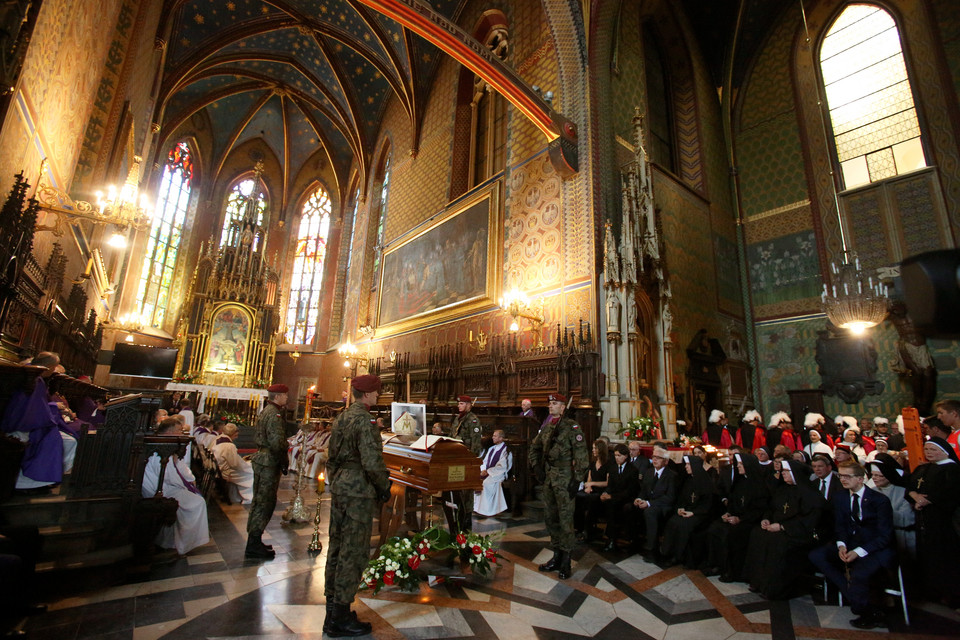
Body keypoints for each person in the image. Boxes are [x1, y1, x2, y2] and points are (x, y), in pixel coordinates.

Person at [323, 374, 391, 637]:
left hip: (341, 485)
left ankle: (332, 610)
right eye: (376, 392)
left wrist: (337, 480)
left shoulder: (341, 417)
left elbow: (331, 456)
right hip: (359, 491)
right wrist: (383, 486)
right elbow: (372, 461)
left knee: (337, 546)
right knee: (354, 551)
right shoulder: (365, 420)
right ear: (368, 394)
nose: (378, 396)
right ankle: (339, 618)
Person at [809, 462, 895, 630]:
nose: (843, 479)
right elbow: (840, 525)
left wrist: (858, 552)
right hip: (850, 544)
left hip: (875, 547)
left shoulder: (879, 500)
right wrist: (842, 545)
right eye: (841, 476)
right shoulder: (840, 497)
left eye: (847, 476)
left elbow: (885, 536)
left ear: (861, 479)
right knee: (817, 555)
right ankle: (852, 594)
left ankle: (865, 611)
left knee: (860, 574)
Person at [528, 392, 588, 580]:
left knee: (565, 520)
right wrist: (537, 466)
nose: (550, 406)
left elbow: (582, 455)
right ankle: (556, 555)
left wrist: (577, 480)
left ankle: (566, 560)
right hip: (549, 479)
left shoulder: (572, 428)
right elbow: (534, 448)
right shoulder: (547, 428)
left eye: (554, 404)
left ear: (563, 407)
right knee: (550, 517)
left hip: (565, 479)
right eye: (550, 404)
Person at [743, 459, 821, 599]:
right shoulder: (782, 489)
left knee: (777, 542)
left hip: (797, 533)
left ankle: (773, 588)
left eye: (785, 471)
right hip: (776, 527)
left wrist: (782, 526)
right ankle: (758, 581)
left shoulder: (809, 493)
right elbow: (771, 507)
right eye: (782, 471)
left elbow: (808, 519)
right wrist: (766, 519)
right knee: (757, 534)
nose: (782, 474)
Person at [141, 417, 210, 555]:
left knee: (195, 498)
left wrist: (187, 480)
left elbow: (175, 468)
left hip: (165, 485)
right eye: (179, 430)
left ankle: (174, 541)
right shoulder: (160, 447)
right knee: (197, 502)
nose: (181, 433)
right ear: (170, 431)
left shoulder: (165, 443)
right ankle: (179, 543)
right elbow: (166, 475)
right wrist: (184, 484)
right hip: (157, 488)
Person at [905, 437, 960, 606]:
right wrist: (915, 496)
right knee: (926, 557)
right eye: (926, 449)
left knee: (945, 558)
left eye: (933, 450)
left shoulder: (952, 469)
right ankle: (931, 591)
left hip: (943, 521)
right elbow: (910, 487)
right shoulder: (923, 468)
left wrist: (927, 501)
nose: (929, 453)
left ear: (944, 451)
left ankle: (951, 595)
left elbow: (951, 492)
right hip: (923, 520)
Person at [704, 452, 770, 582]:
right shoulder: (740, 481)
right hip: (736, 517)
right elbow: (734, 501)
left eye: (740, 464)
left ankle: (733, 571)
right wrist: (729, 513)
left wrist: (740, 519)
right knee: (714, 528)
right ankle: (717, 565)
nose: (738, 466)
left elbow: (760, 509)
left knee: (733, 534)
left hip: (750, 521)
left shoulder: (759, 485)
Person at [245, 383, 289, 559]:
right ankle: (253, 543)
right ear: (277, 396)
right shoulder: (275, 414)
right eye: (285, 395)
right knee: (265, 502)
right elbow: (277, 442)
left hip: (262, 459)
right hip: (269, 461)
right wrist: (284, 459)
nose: (287, 398)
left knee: (260, 501)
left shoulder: (266, 411)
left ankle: (255, 540)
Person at [659, 454, 716, 568]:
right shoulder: (688, 480)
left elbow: (708, 504)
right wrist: (680, 508)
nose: (686, 467)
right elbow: (682, 497)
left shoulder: (706, 481)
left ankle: (680, 556)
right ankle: (669, 554)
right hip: (687, 511)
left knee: (684, 525)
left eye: (688, 465)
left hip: (700, 514)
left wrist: (694, 512)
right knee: (672, 522)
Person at [623, 443, 677, 560]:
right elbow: (644, 491)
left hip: (662, 506)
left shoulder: (671, 476)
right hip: (648, 502)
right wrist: (639, 499)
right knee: (630, 507)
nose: (655, 460)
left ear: (666, 461)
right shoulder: (648, 472)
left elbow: (669, 498)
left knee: (650, 512)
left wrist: (649, 503)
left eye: (658, 458)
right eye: (653, 457)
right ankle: (634, 541)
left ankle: (652, 548)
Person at [868, 454, 915, 560]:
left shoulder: (903, 492)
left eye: (879, 476)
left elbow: (907, 519)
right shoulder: (871, 491)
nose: (874, 478)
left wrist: (881, 513)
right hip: (878, 538)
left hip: (902, 538)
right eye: (873, 475)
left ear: (888, 475)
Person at [449, 395, 483, 530]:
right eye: (459, 404)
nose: (459, 406)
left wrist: (471, 461)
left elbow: (475, 445)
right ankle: (457, 518)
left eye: (462, 404)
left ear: (469, 405)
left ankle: (466, 520)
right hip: (455, 459)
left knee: (466, 493)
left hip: (466, 460)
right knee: (457, 491)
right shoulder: (458, 419)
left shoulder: (473, 421)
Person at [598, 444, 640, 550]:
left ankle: (626, 538)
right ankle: (611, 539)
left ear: (626, 456)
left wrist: (611, 496)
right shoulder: (613, 468)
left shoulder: (633, 470)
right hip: (614, 498)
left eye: (619, 455)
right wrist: (605, 493)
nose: (617, 457)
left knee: (617, 505)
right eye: (616, 455)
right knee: (608, 504)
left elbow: (630, 491)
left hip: (627, 498)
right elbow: (610, 486)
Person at [574, 437, 612, 540]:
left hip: (601, 490)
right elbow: (589, 479)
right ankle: (578, 528)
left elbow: (607, 482)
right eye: (593, 448)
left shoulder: (608, 464)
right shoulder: (592, 464)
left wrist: (593, 484)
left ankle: (588, 530)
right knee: (577, 497)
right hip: (591, 489)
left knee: (592, 500)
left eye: (595, 448)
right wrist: (588, 486)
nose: (593, 450)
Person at [212, 423, 254, 502]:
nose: (236, 437)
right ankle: (247, 498)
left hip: (219, 469)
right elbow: (235, 464)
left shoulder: (217, 439)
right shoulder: (229, 446)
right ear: (232, 433)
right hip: (225, 472)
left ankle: (235, 496)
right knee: (251, 473)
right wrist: (247, 465)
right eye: (236, 435)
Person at [475, 429, 511, 517]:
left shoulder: (506, 450)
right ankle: (477, 508)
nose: (492, 437)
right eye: (493, 435)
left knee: (486, 483)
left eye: (495, 436)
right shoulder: (492, 449)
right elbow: (485, 461)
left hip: (498, 474)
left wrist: (488, 472)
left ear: (501, 438)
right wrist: (483, 470)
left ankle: (488, 509)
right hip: (488, 472)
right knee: (476, 480)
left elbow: (503, 466)